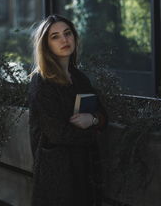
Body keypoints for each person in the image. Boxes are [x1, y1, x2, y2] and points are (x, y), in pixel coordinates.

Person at [28, 14, 107, 206]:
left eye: (67, 33)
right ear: (46, 45)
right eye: (55, 36)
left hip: (84, 168)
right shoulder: (41, 81)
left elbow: (103, 114)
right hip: (57, 172)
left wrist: (93, 120)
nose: (64, 40)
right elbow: (58, 133)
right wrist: (92, 133)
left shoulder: (80, 77)